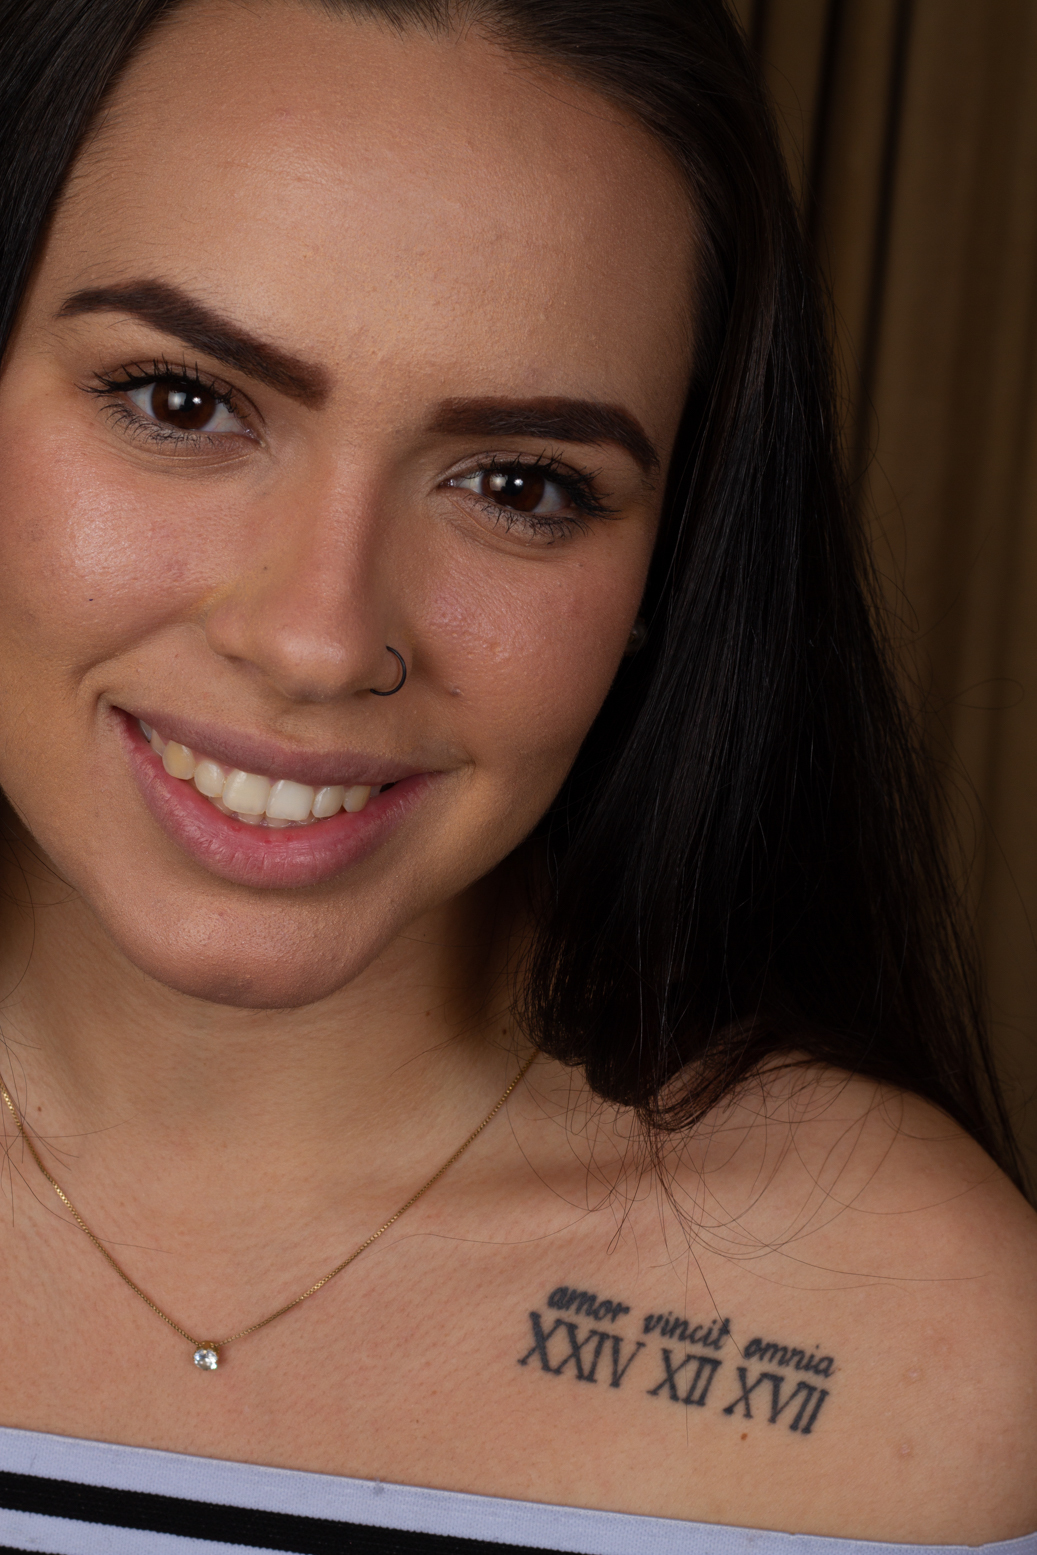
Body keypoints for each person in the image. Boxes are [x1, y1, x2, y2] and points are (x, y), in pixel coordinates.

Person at [0, 0, 1034, 1548]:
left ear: (668, 570)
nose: (318, 639)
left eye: (517, 484)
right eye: (182, 402)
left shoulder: (912, 1355)